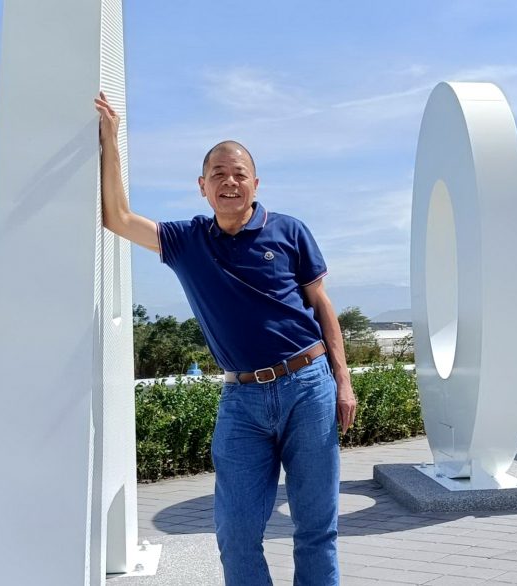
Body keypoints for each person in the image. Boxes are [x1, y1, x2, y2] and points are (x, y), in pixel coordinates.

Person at [95, 93, 356, 585]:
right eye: (218, 174)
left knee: (316, 528)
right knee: (235, 532)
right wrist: (111, 139)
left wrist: (343, 380)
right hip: (241, 400)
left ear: (256, 183)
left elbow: (321, 304)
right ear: (203, 187)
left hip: (308, 385)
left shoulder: (290, 230)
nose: (229, 181)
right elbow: (119, 219)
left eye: (239, 173)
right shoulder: (186, 241)